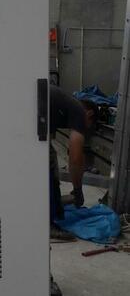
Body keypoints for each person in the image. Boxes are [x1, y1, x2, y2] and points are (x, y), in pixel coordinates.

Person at [49, 85, 98, 240]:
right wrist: (78, 190)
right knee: (47, 167)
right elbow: (75, 158)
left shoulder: (65, 103)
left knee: (50, 158)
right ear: (89, 114)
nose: (86, 130)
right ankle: (47, 224)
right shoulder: (79, 111)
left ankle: (55, 207)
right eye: (89, 126)